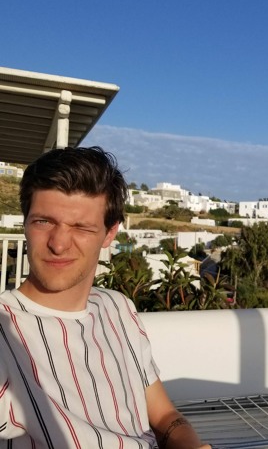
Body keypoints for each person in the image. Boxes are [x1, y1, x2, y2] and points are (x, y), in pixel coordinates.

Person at [0, 147, 210, 449]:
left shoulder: (118, 307)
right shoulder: (5, 331)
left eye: (81, 227)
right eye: (43, 222)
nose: (58, 244)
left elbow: (165, 417)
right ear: (25, 224)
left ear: (109, 234)